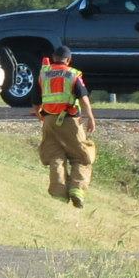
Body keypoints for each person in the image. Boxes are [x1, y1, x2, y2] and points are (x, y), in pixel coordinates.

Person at [33, 46, 98, 208]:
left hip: (49, 121)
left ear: (53, 57)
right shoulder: (72, 74)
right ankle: (77, 189)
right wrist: (90, 117)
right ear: (68, 60)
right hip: (70, 121)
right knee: (82, 157)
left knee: (55, 156)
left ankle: (59, 193)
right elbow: (83, 98)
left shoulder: (43, 74)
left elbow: (36, 101)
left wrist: (40, 115)